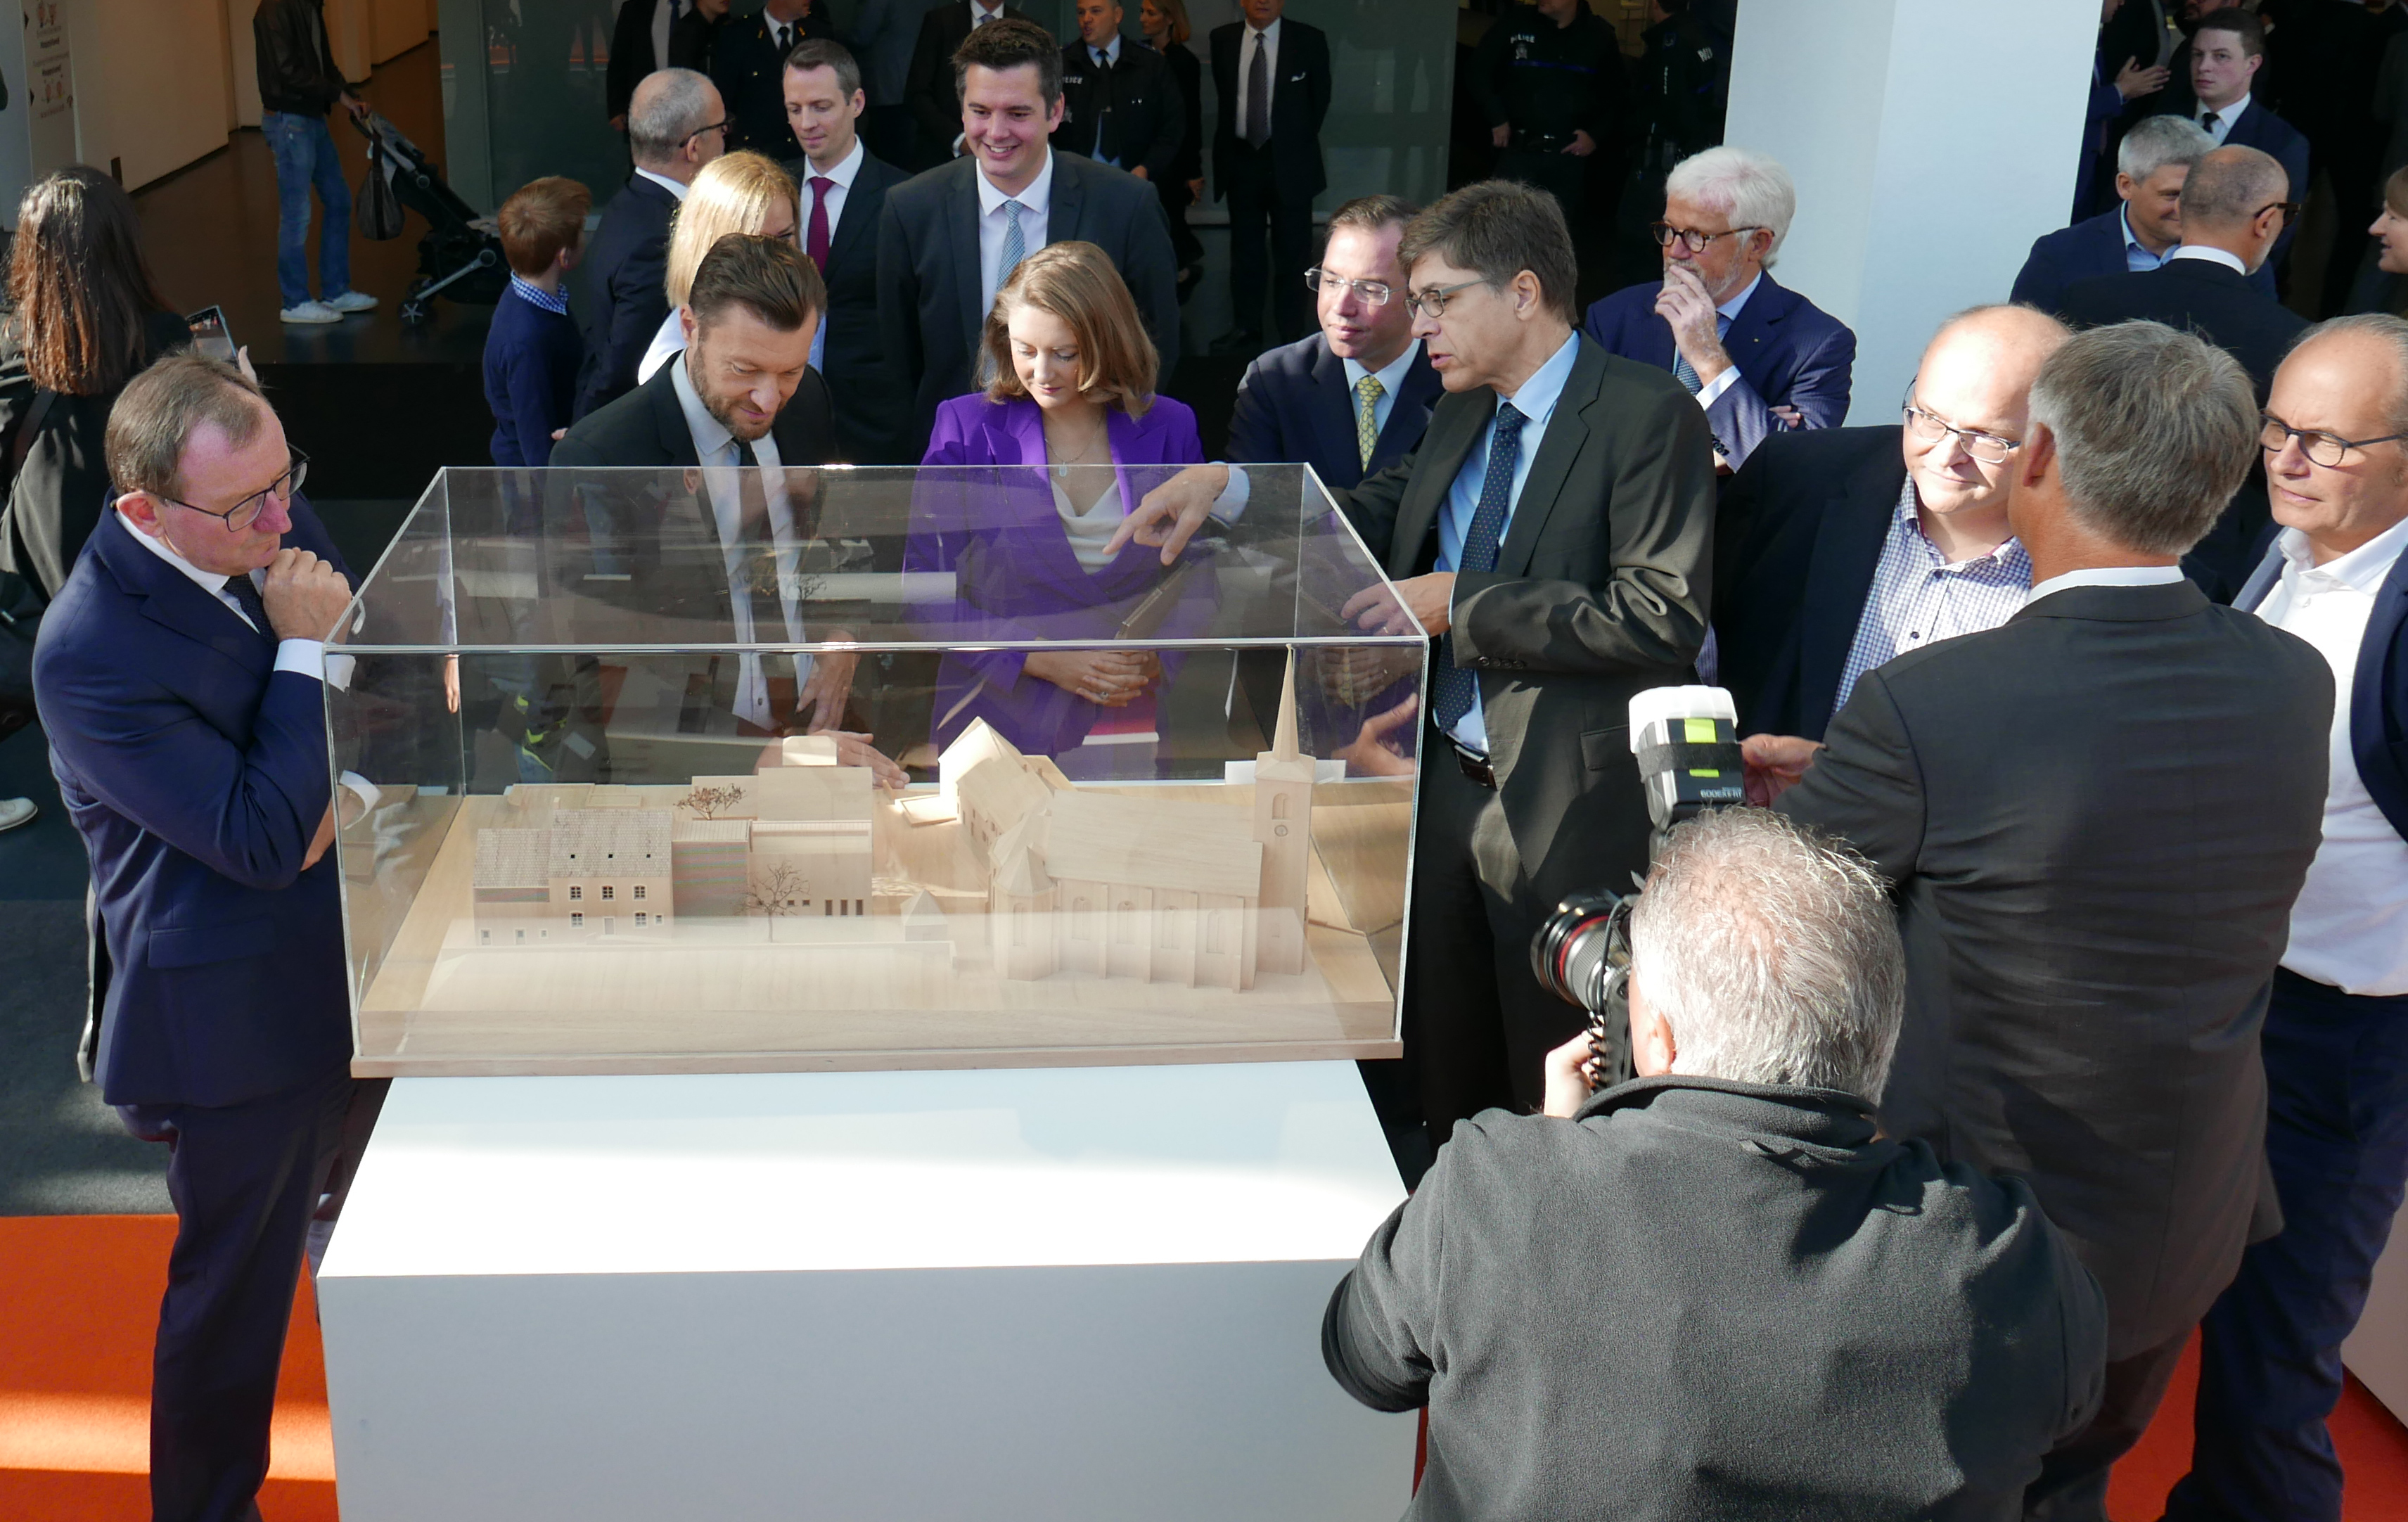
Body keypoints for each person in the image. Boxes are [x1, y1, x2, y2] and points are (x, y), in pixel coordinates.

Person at [1753, 320, 2333, 1518]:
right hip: (2177, 1229)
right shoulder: (2290, 679)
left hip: (1975, 1250)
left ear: (2041, 460)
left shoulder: (1932, 702)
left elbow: (1767, 921)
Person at [1112, 181, 1717, 1149]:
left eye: (1437, 298)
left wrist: (1461, 604)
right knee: (1441, 1056)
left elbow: (1660, 614)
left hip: (1562, 810)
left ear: (1523, 292)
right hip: (1438, 791)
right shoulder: (1464, 409)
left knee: (1553, 1077)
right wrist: (1225, 488)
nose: (1419, 321)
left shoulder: (1647, 414)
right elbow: (1367, 512)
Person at [1321, 807, 2110, 1522]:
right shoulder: (2011, 1264)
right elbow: (2066, 1410)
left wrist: (1549, 1145)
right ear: (1881, 1036)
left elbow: (1362, 1359)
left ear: (1657, 1038)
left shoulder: (1495, 1189)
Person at [32, 354, 383, 1522]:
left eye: (288, 482)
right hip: (233, 1027)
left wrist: (329, 766)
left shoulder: (257, 501)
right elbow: (262, 835)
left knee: (392, 1244)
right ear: (145, 512)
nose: (284, 523)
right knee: (232, 1309)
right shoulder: (88, 650)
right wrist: (307, 655)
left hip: (364, 962)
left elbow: (372, 664)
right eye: (247, 508)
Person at [2160, 315, 2408, 1522]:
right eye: (2274, 427)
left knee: (2271, 1366)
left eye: (2328, 440)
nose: (2286, 458)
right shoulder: (2285, 551)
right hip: (2220, 1001)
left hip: (2340, 1045)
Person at [553, 236, 888, 769]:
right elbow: (599, 674)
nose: (769, 399)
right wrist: (763, 755)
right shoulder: (601, 457)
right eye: (744, 370)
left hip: (813, 731)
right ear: (690, 327)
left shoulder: (809, 401)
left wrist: (843, 634)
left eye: (790, 371)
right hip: (681, 765)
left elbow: (831, 544)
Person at [911, 239, 1241, 764]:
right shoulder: (966, 426)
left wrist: (1156, 657)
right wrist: (1040, 659)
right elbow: (923, 592)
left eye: (1065, 354)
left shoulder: (1171, 424)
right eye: (1025, 350)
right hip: (998, 711)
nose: (1042, 373)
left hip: (1133, 708)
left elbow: (1200, 570)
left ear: (1109, 342)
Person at [1713, 305, 2066, 746]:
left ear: (2049, 441)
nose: (1946, 456)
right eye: (1929, 418)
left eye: (1985, 438)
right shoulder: (1795, 480)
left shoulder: (2089, 559)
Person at [878, 17, 1181, 455]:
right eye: (980, 112)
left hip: (1089, 457)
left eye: (1017, 114)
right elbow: (897, 358)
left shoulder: (1125, 206)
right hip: (957, 459)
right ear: (961, 109)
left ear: (1055, 111)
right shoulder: (911, 209)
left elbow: (1156, 344)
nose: (996, 133)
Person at [0, 167, 194, 838]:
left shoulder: (15, 347)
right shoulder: (162, 337)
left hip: (42, 565)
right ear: (123, 244)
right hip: (133, 557)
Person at [2058, 145, 2305, 599]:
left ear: (2184, 208)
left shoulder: (2089, 300)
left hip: (2071, 541)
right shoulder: (2292, 340)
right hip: (2201, 575)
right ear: (2266, 221)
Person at [1582, 145, 1855, 473]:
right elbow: (1581, 440)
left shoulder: (1819, 344)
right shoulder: (1614, 317)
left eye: (1697, 236)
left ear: (1757, 244)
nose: (1674, 251)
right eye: (1668, 230)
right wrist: (1717, 451)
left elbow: (1794, 469)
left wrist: (1709, 359)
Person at [1226, 194, 1441, 490]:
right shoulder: (1275, 380)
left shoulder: (1457, 383)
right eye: (1331, 281)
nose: (1341, 306)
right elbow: (1255, 502)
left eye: (1369, 289)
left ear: (1416, 295)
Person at [783, 39, 916, 464]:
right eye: (794, 109)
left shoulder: (907, 198)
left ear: (856, 103)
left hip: (876, 425)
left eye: (821, 107)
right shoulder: (771, 190)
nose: (806, 123)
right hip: (780, 416)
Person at [574, 68, 728, 420]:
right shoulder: (659, 241)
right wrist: (584, 434)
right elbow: (625, 363)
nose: (725, 139)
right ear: (694, 147)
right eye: (722, 128)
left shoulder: (626, 206)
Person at [1208, 0, 1333, 353]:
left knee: (1293, 253)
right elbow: (1226, 96)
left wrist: (1291, 140)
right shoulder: (1223, 39)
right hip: (1241, 159)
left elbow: (1319, 101)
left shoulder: (1308, 40)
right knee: (1245, 251)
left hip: (1290, 160)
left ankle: (1292, 334)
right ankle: (1246, 328)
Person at [2013, 114, 2226, 314]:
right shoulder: (2061, 255)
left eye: (2198, 194)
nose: (2186, 207)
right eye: (2171, 195)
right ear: (2126, 186)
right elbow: (2026, 336)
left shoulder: (2228, 252)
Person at [2154, 8, 2309, 275]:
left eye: (2221, 56)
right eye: (2197, 55)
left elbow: (2275, 236)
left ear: (2252, 64)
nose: (2204, 67)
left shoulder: (2283, 143)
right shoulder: (2161, 122)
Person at [252, 0, 377, 325]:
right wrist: (338, 96)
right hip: (289, 120)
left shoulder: (309, 5)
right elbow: (287, 71)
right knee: (297, 214)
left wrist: (349, 94)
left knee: (338, 200)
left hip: (310, 118)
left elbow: (323, 65)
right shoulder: (275, 9)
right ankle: (294, 302)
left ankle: (336, 290)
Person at [634, 150, 798, 385]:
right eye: (755, 242)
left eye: (785, 237)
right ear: (711, 244)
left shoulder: (803, 312)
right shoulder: (673, 363)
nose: (776, 255)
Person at [1465, 0, 1627, 222]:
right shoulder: (1518, 21)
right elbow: (1478, 70)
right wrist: (1497, 118)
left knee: (1555, 232)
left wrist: (1595, 135)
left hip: (1567, 157)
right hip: (1517, 150)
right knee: (1502, 227)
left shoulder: (1598, 34)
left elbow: (1617, 95)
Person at [485, 177, 591, 469]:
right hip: (531, 477)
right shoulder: (526, 340)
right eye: (581, 232)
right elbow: (535, 443)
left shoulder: (531, 299)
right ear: (564, 256)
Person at [1057, 0, 1186, 192]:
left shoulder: (1150, 64)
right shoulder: (1061, 63)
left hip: (1136, 182)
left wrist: (1147, 168)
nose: (1087, 19)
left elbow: (1173, 126)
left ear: (1117, 16)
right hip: (1075, 183)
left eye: (1096, 11)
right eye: (1081, 12)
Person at [904, 0, 1030, 169]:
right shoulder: (940, 21)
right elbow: (917, 93)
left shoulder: (1026, 27)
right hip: (942, 154)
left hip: (1008, 154)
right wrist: (959, 140)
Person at [1138, 0, 1206, 298]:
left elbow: (1190, 118)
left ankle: (1177, 279)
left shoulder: (1183, 61)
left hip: (1172, 159)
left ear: (1169, 19)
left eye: (1151, 13)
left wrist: (1193, 171)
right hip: (1140, 152)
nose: (1143, 18)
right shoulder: (1137, 53)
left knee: (1170, 221)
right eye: (1142, 11)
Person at [711, 0, 835, 155]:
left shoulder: (818, 33)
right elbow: (724, 99)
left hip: (806, 150)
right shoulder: (738, 35)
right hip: (757, 153)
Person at [851, 0, 940, 165]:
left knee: (885, 153)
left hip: (886, 86)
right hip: (921, 84)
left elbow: (861, 36)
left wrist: (832, 34)